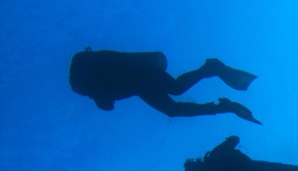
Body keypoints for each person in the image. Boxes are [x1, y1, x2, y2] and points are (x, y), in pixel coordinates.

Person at [69, 48, 260, 123]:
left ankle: (211, 67)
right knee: (172, 109)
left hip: (140, 73)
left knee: (176, 89)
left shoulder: (96, 86)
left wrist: (98, 98)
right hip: (140, 82)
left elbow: (107, 104)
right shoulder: (96, 83)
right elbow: (108, 100)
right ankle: (221, 107)